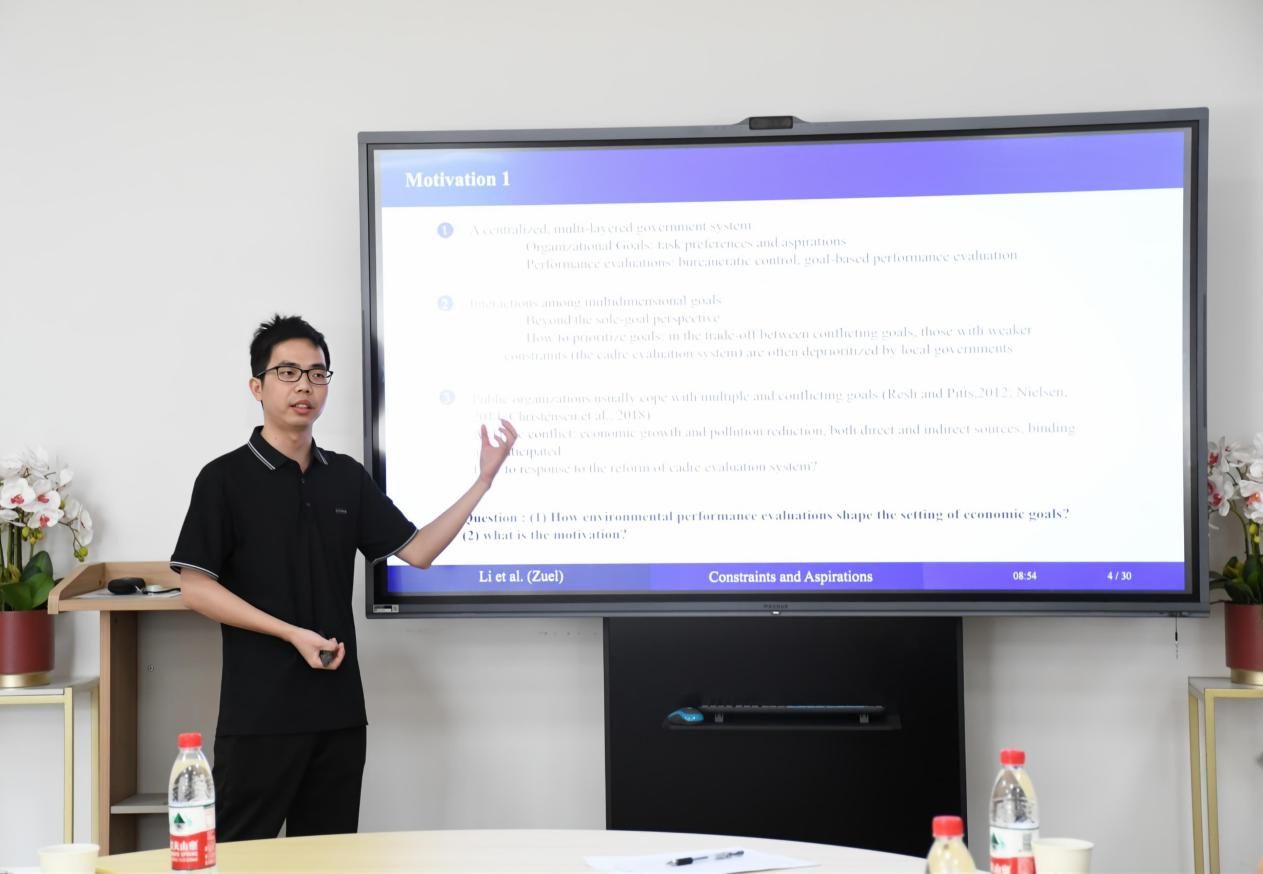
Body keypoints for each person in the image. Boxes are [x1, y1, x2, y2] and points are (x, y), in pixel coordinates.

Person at [170, 314, 516, 841]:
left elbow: (419, 551)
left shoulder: (345, 476)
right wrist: (291, 633)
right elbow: (195, 588)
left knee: (330, 859)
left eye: (317, 374)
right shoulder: (224, 478)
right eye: (288, 373)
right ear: (257, 387)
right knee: (240, 858)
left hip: (338, 715)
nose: (304, 386)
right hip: (259, 715)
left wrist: (483, 480)